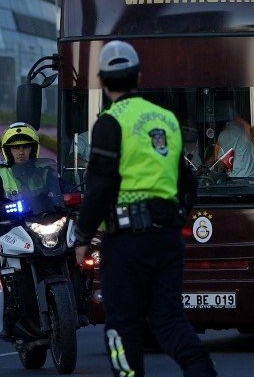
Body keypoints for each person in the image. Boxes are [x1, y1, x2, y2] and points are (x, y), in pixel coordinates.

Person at [72, 41, 216, 377]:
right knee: (169, 321)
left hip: (126, 243)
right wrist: (176, 215)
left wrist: (82, 237)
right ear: (138, 76)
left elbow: (100, 185)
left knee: (121, 327)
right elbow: (188, 181)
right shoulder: (167, 120)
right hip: (166, 239)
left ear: (103, 82)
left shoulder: (109, 123)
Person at [212, 101, 254, 178]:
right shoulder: (245, 130)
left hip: (241, 182)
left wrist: (209, 170)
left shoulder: (227, 134)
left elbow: (220, 166)